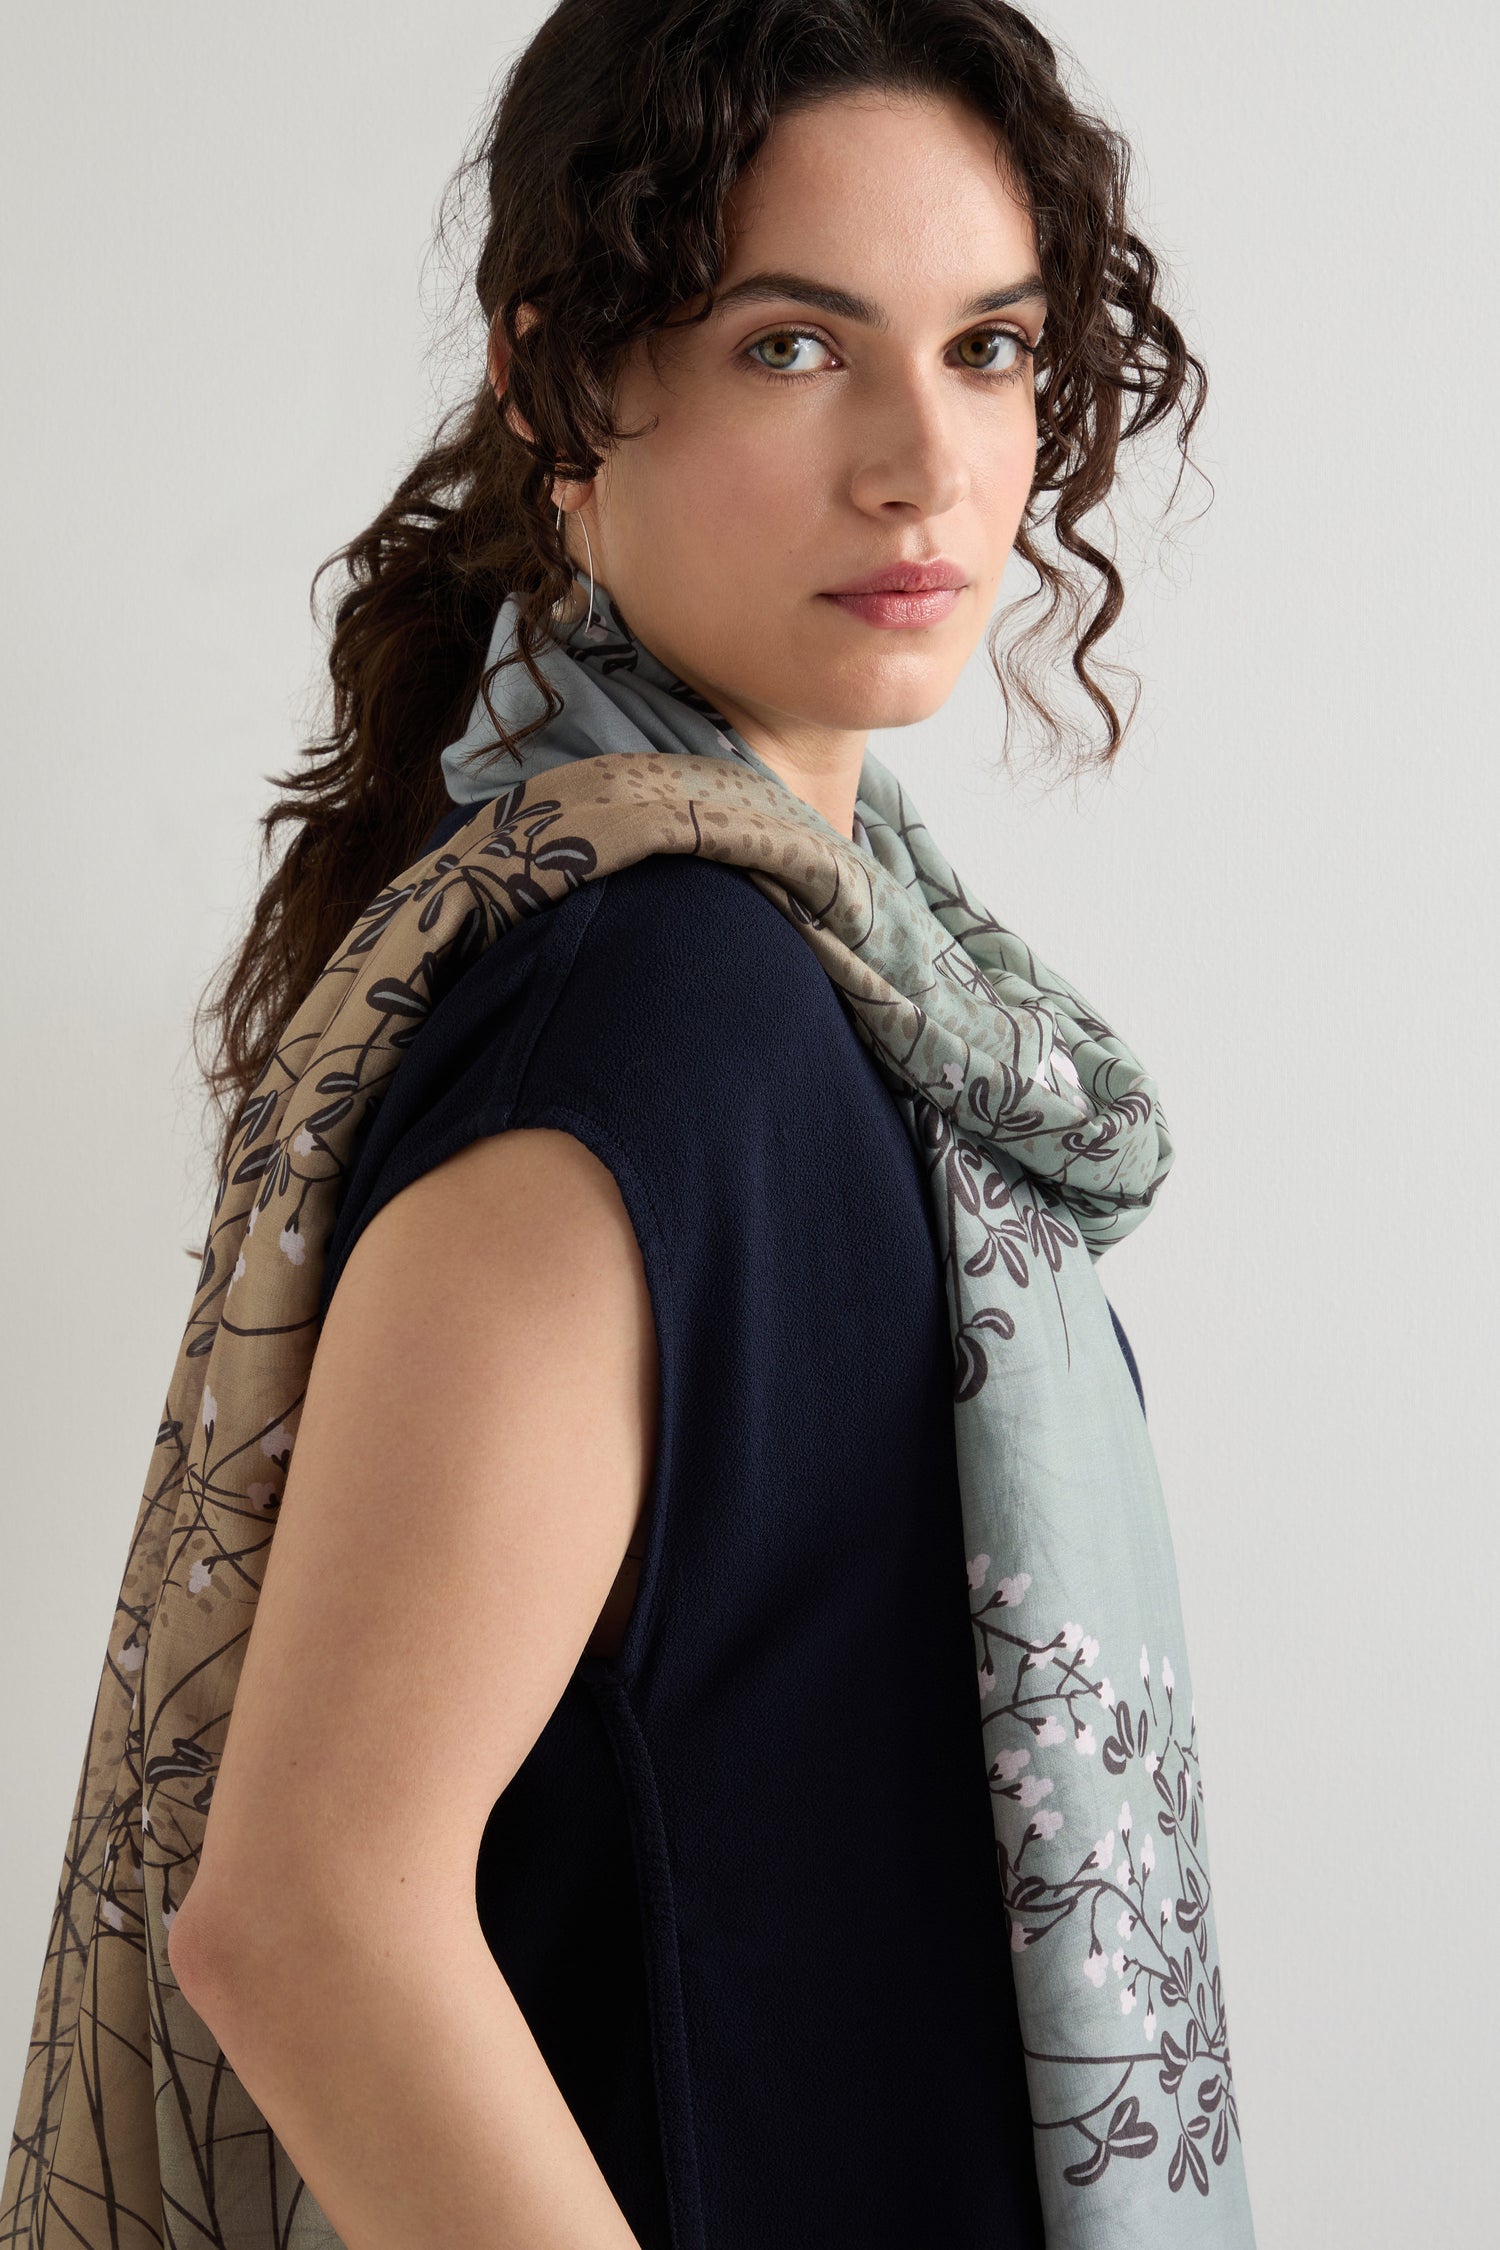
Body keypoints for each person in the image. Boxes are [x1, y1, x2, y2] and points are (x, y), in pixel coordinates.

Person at [30, 5, 1226, 2248]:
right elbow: (303, 1919)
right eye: (795, 347)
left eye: (987, 348)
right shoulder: (662, 1027)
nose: (922, 465)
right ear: (564, 385)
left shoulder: (825, 997)